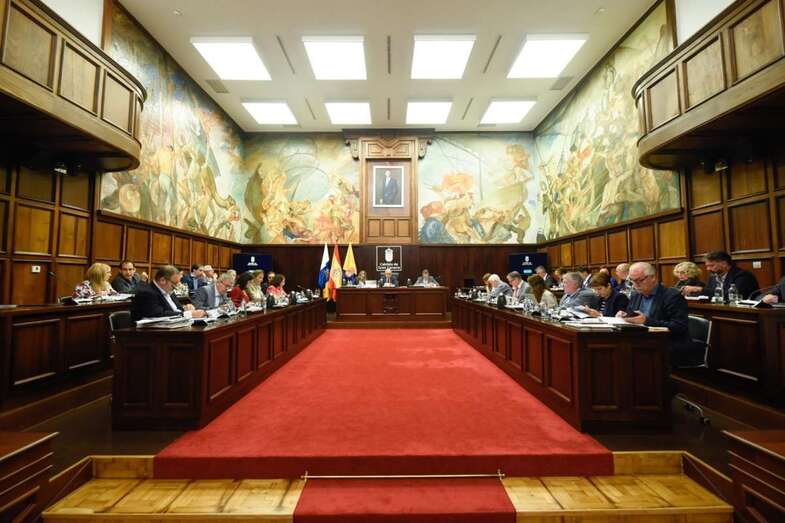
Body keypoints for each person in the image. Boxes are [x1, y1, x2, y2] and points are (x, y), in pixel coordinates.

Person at [616, 262, 695, 367]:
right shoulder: (635, 295)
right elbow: (634, 317)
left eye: (639, 280)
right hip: (641, 341)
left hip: (667, 343)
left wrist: (647, 321)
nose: (635, 285)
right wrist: (625, 316)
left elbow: (679, 326)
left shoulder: (672, 296)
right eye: (632, 281)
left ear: (653, 277)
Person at [130, 265, 205, 321]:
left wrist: (185, 308)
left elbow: (176, 309)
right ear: (162, 280)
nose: (176, 287)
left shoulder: (168, 290)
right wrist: (189, 314)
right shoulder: (147, 292)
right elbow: (158, 314)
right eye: (174, 284)